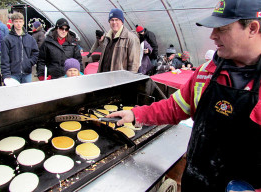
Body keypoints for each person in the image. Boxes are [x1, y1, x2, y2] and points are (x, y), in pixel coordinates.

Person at [107, 0, 261, 191]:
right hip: (195, 181)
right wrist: (136, 114)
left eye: (222, 29)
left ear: (253, 28)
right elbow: (174, 107)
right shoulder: (206, 72)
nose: (212, 35)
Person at [97, 8, 140, 73]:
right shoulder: (107, 38)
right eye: (112, 20)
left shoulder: (131, 38)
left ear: (122, 21)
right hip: (105, 78)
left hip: (120, 81)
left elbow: (134, 66)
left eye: (117, 20)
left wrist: (129, 82)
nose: (114, 22)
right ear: (109, 22)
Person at [0, 12, 39, 84]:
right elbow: (4, 58)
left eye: (20, 21)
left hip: (27, 73)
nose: (18, 24)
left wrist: (29, 62)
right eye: (16, 22)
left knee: (27, 93)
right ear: (12, 23)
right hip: (13, 74)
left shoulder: (30, 38)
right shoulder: (7, 39)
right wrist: (6, 74)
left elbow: (35, 52)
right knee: (14, 94)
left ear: (23, 22)